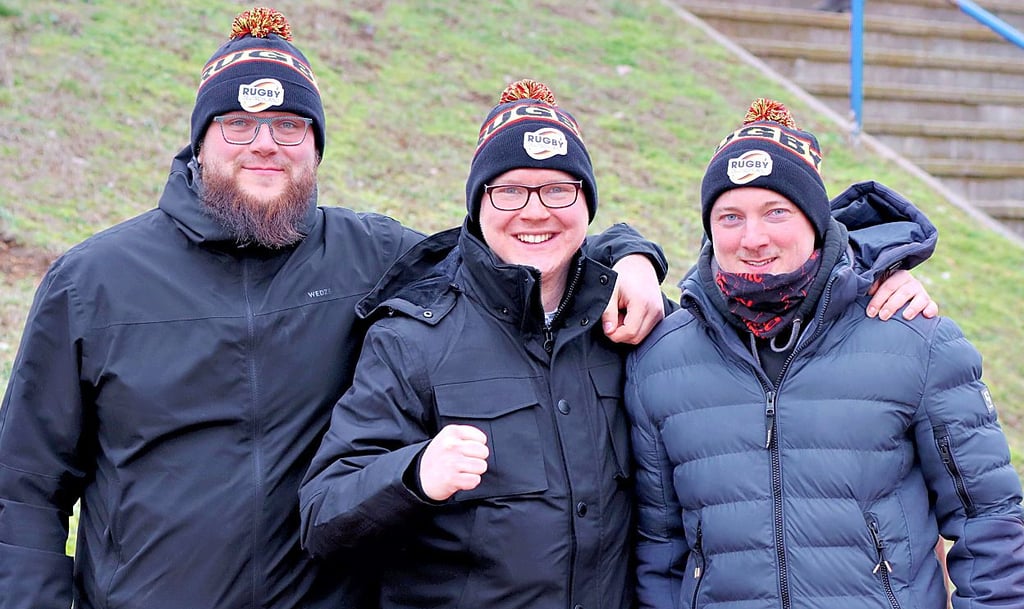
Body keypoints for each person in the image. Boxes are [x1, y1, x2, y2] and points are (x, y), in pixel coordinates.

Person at [0, 11, 671, 609]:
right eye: (238, 123)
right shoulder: (92, 281)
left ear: (316, 145)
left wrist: (632, 255)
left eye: (290, 124)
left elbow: (512, 244)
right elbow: (23, 486)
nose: (265, 142)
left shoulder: (373, 255)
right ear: (200, 141)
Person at [296, 83, 940, 609]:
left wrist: (872, 276)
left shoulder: (629, 328)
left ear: (585, 203)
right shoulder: (413, 337)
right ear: (477, 204)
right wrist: (413, 477)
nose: (535, 211)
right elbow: (324, 519)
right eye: (509, 189)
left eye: (559, 189)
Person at [624, 99, 1024, 609]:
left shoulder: (917, 341)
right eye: (730, 216)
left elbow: (988, 521)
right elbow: (661, 553)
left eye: (776, 212)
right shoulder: (660, 361)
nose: (753, 238)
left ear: (815, 220)